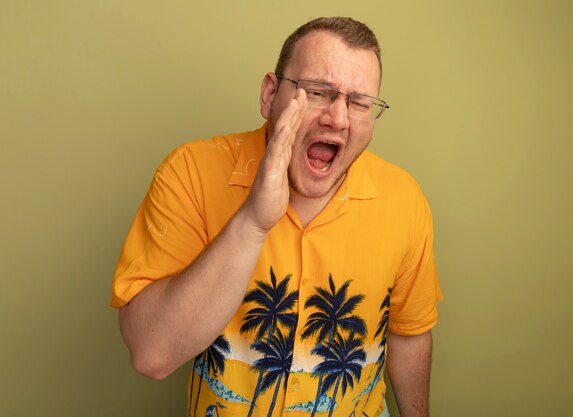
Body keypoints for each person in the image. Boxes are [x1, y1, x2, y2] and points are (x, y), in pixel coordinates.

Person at [112, 17, 442, 417]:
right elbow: (152, 355)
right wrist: (252, 222)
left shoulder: (404, 199)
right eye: (318, 92)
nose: (338, 118)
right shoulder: (190, 173)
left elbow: (408, 334)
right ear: (271, 94)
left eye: (358, 102)